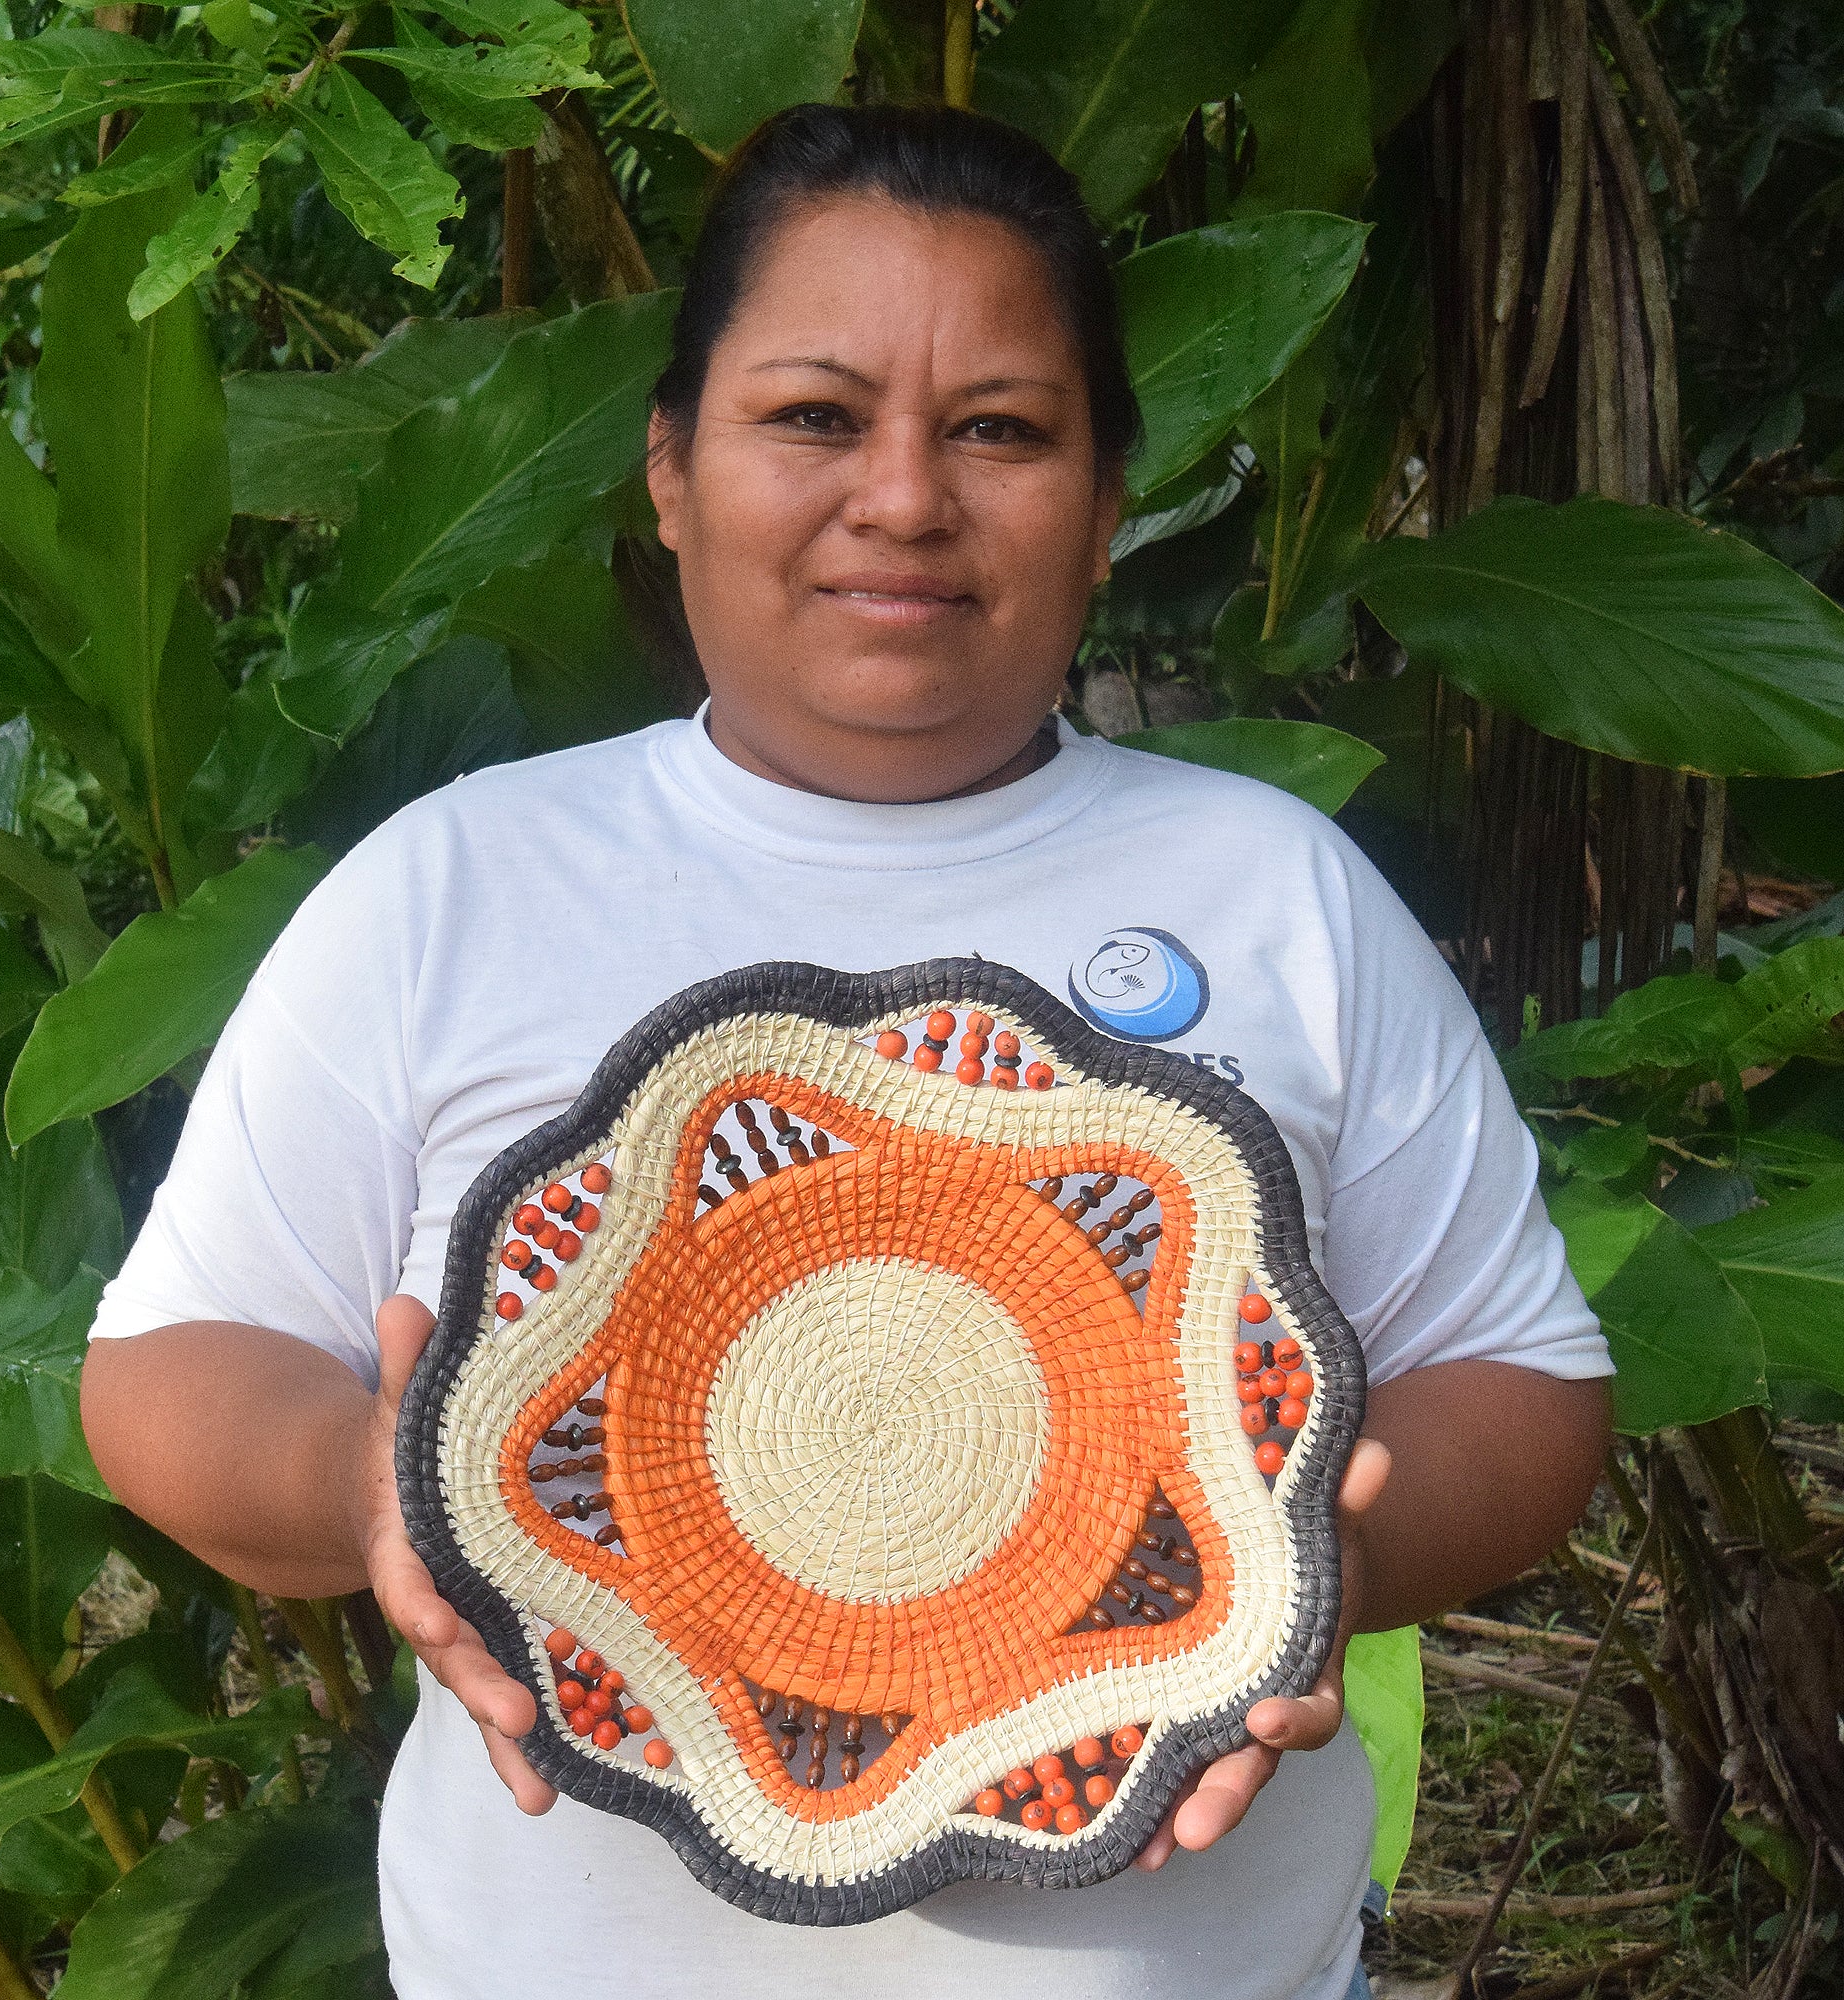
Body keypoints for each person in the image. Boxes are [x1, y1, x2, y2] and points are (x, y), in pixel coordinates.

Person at [81, 102, 1612, 2000]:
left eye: (1000, 428)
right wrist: (380, 1492)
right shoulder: (456, 888)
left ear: (1109, 493)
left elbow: (1525, 1380)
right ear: (669, 466)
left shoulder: (1274, 889)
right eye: (813, 416)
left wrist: (1315, 1570)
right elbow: (169, 1376)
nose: (903, 497)